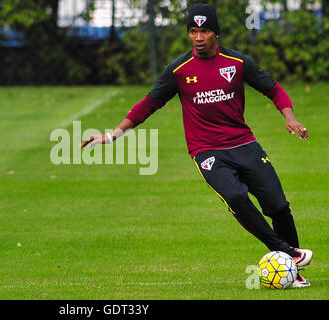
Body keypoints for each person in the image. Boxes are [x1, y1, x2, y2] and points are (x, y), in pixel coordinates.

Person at [80, 3, 313, 287]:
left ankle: (293, 271)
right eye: (193, 31)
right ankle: (289, 253)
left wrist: (289, 117)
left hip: (244, 143)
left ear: (216, 33)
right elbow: (148, 104)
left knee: (278, 206)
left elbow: (273, 89)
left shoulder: (237, 63)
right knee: (237, 198)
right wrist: (113, 134)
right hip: (207, 151)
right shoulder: (178, 70)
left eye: (204, 31)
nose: (198, 38)